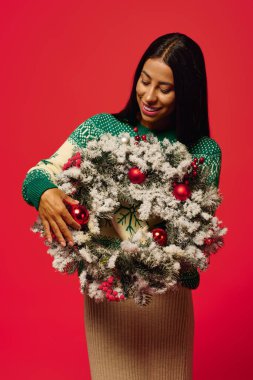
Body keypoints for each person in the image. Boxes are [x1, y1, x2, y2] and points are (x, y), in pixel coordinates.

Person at [22, 32, 222, 380]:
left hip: (166, 305)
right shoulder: (100, 129)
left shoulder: (202, 153)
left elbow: (189, 257)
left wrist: (135, 242)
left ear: (187, 93)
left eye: (165, 88)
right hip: (109, 300)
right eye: (144, 81)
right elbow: (38, 173)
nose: (149, 95)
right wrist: (43, 192)